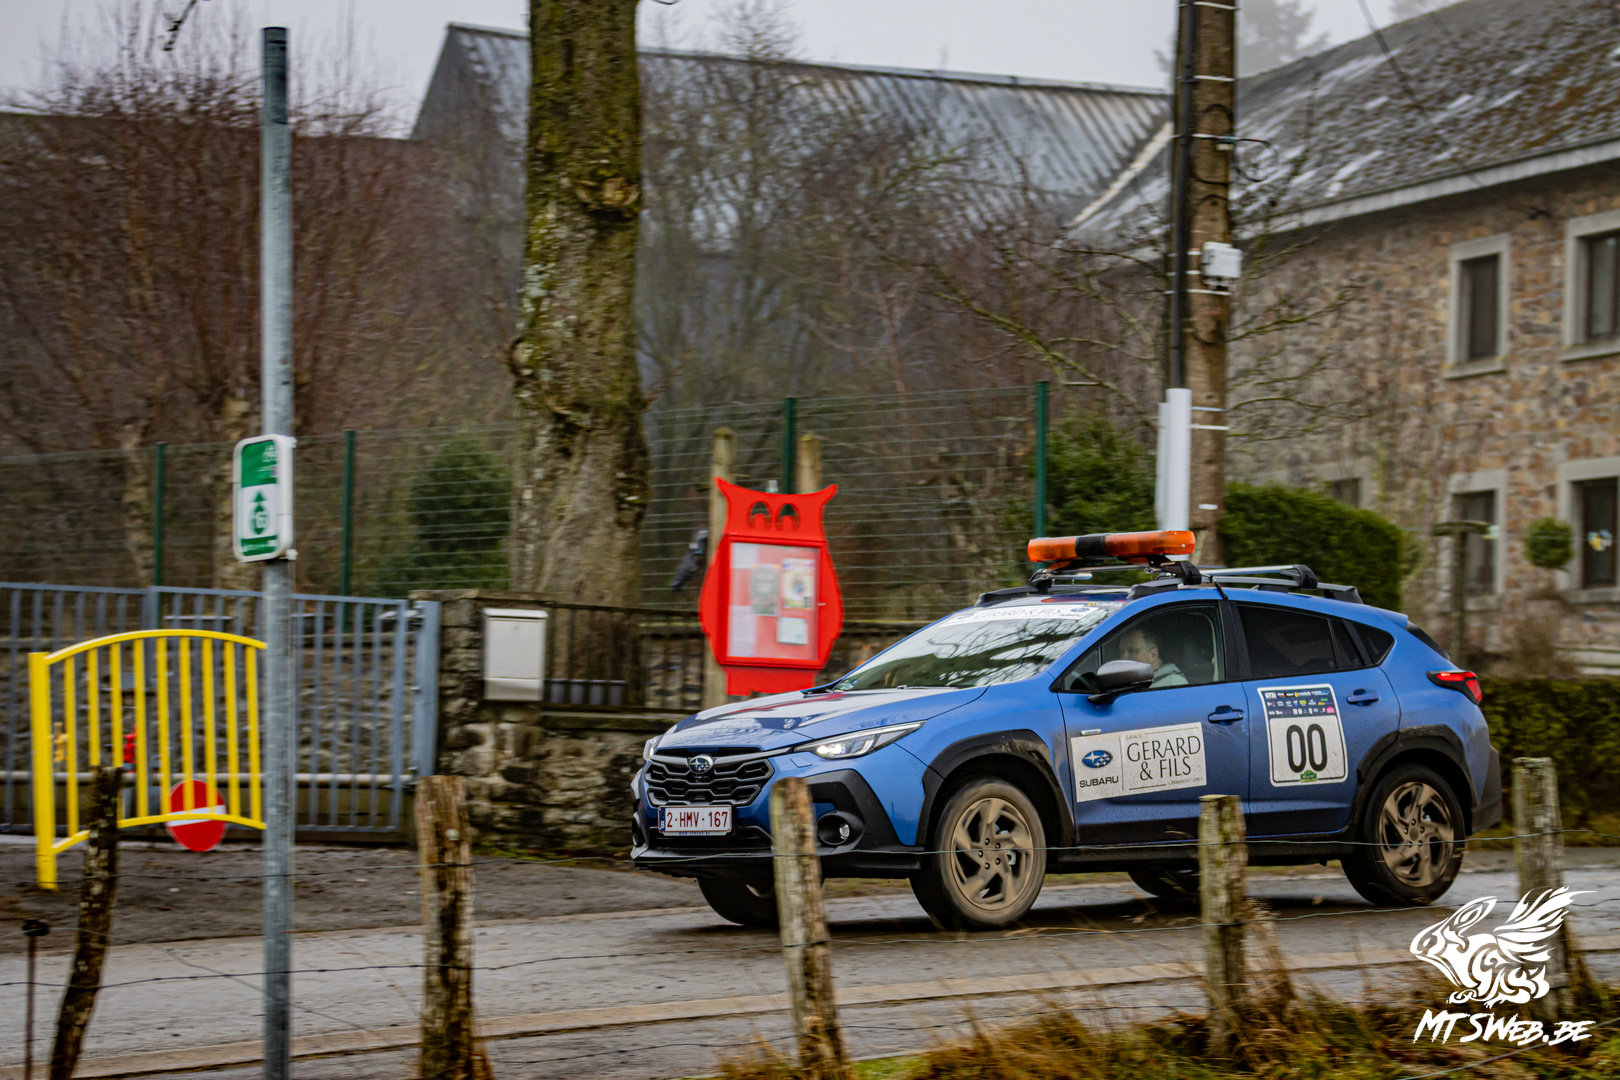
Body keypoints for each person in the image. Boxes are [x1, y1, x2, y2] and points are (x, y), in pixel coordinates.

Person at [1118, 624, 1188, 688]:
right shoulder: (1134, 682)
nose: (1123, 658)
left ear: (1153, 655)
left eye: (1132, 651)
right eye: (1121, 652)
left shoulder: (1172, 683)